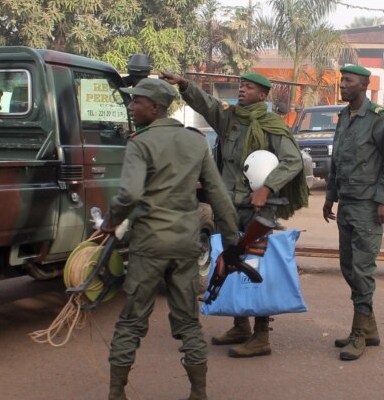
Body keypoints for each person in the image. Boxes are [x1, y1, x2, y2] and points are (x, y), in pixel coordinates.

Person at [102, 78, 240, 400]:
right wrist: (232, 240)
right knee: (188, 324)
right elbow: (218, 194)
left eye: (136, 102)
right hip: (185, 244)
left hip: (149, 245)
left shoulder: (140, 143)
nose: (132, 107)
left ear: (154, 107)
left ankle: (116, 394)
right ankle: (198, 394)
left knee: (131, 322)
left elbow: (129, 194)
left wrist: (111, 221)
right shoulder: (195, 142)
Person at [159, 70, 308, 358]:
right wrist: (185, 85)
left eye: (249, 88)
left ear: (263, 95)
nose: (242, 90)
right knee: (228, 264)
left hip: (257, 209)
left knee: (255, 268)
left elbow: (293, 161)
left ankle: (262, 335)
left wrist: (267, 187)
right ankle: (240, 325)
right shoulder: (228, 118)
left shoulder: (270, 125)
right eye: (241, 86)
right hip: (227, 207)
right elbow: (206, 104)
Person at [322, 64, 384, 362]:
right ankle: (369, 329)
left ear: (364, 85)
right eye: (342, 80)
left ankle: (359, 332)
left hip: (369, 206)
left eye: (348, 81)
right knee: (348, 266)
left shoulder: (378, 118)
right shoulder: (343, 117)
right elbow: (338, 161)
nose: (342, 85)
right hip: (346, 203)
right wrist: (330, 197)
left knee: (362, 269)